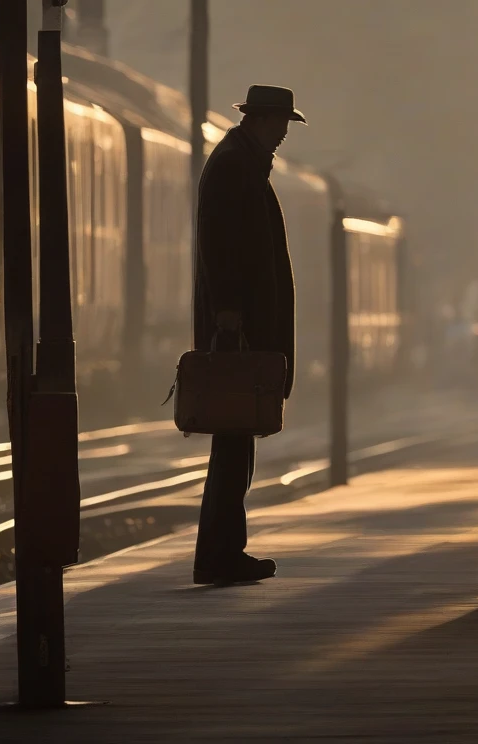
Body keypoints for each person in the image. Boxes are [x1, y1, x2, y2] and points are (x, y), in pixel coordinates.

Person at [192, 84, 303, 585]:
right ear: (261, 120)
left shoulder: (241, 162)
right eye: (281, 124)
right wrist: (230, 314)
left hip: (241, 327)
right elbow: (222, 246)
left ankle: (222, 551)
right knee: (233, 444)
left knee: (235, 446)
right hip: (237, 332)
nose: (283, 135)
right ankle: (219, 555)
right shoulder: (235, 166)